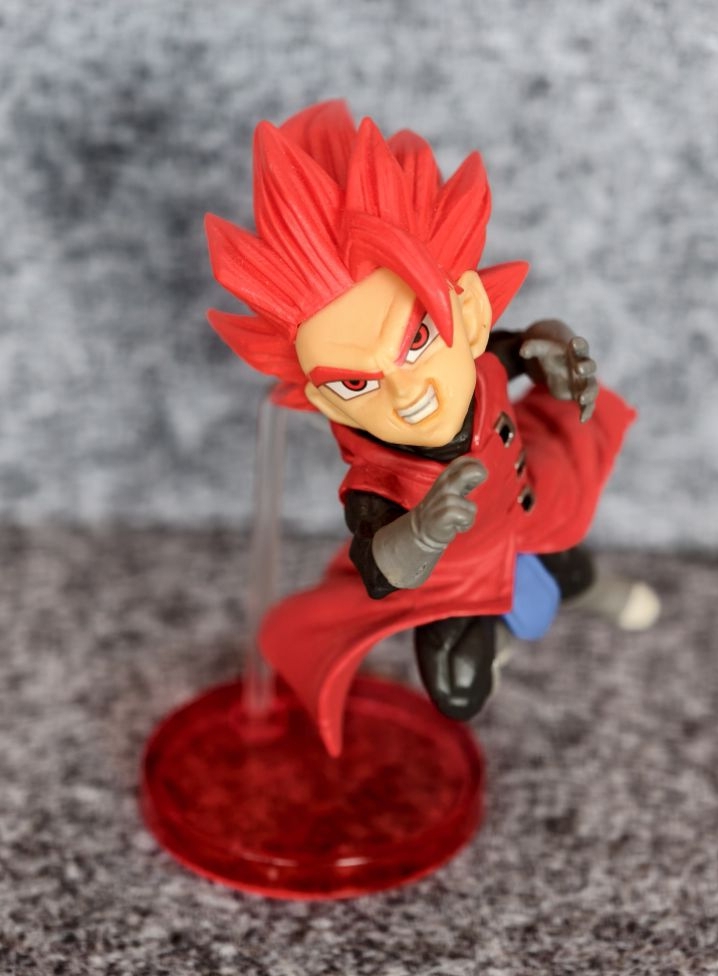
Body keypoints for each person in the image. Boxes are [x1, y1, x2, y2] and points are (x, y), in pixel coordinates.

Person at [205, 101, 658, 756]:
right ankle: (502, 627)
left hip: (532, 506)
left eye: (415, 341)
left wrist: (548, 347)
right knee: (459, 693)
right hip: (458, 577)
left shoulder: (476, 357)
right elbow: (377, 567)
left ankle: (585, 591)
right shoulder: (377, 479)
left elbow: (516, 349)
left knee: (567, 562)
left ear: (466, 313)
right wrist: (420, 533)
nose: (405, 391)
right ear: (327, 402)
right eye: (355, 383)